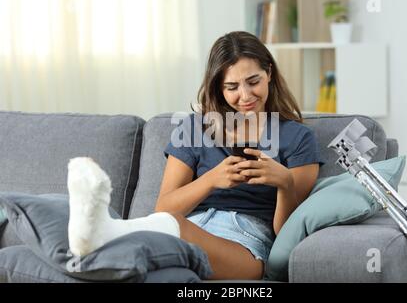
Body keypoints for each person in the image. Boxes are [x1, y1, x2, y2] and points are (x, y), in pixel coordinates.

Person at [67, 31, 323, 281]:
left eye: (253, 81)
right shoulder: (194, 128)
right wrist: (211, 179)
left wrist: (285, 183)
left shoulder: (298, 138)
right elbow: (164, 207)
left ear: (269, 72)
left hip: (247, 241)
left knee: (173, 231)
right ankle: (105, 241)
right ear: (218, 88)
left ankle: (106, 233)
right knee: (167, 258)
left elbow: (287, 234)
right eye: (232, 87)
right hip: (190, 224)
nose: (245, 96)